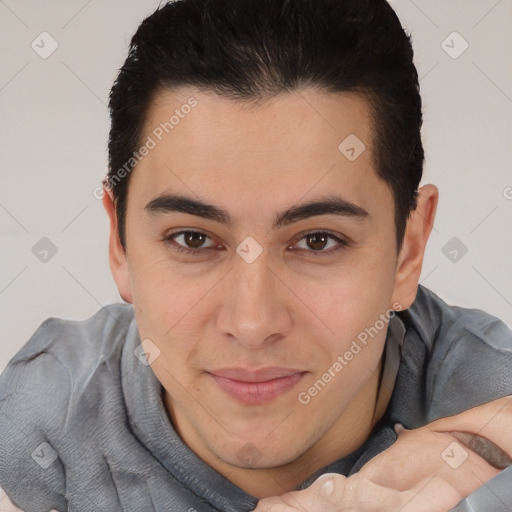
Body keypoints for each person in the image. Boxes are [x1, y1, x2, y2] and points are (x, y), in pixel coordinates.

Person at [1, 0, 511, 510]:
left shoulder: (490, 397)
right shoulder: (39, 421)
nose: (251, 323)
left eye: (318, 241)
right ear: (120, 243)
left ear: (409, 249)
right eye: (193, 240)